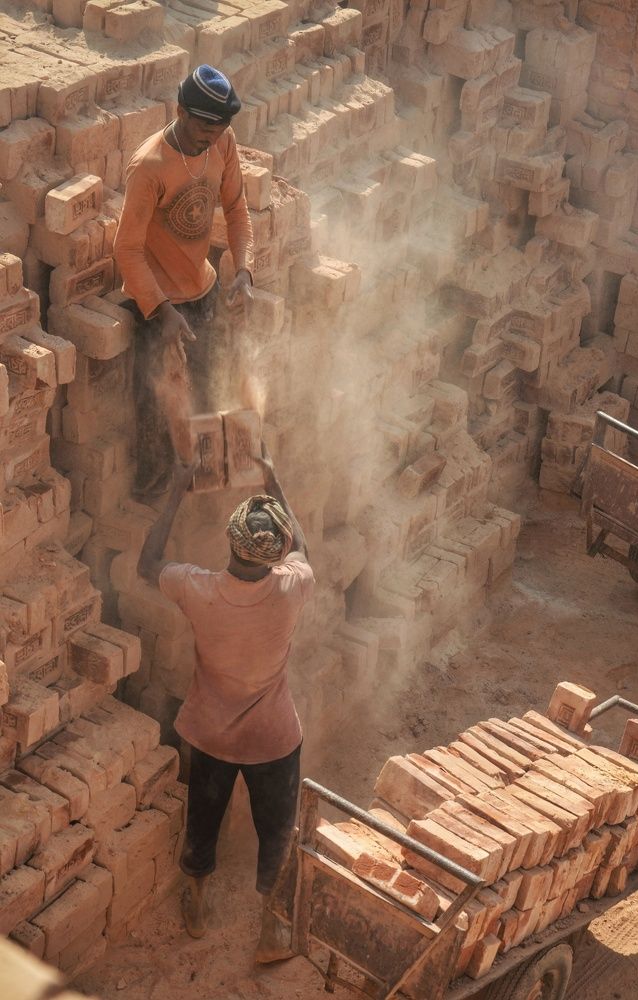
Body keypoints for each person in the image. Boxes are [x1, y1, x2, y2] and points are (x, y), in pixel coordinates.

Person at [137, 443, 314, 961]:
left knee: (204, 817)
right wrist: (273, 481)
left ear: (230, 543)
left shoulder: (200, 590)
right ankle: (272, 931)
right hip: (273, 738)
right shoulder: (291, 588)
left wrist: (176, 488)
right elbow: (303, 547)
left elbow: (149, 563)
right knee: (277, 830)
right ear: (275, 553)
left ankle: (195, 903)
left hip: (212, 733)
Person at [114, 64, 254, 501]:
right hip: (156, 302)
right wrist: (162, 312)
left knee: (211, 384)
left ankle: (207, 483)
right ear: (180, 111)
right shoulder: (150, 166)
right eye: (201, 130)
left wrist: (245, 269)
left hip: (204, 290)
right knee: (157, 401)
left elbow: (236, 209)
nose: (208, 140)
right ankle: (152, 495)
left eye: (217, 132)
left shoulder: (223, 143)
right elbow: (126, 250)